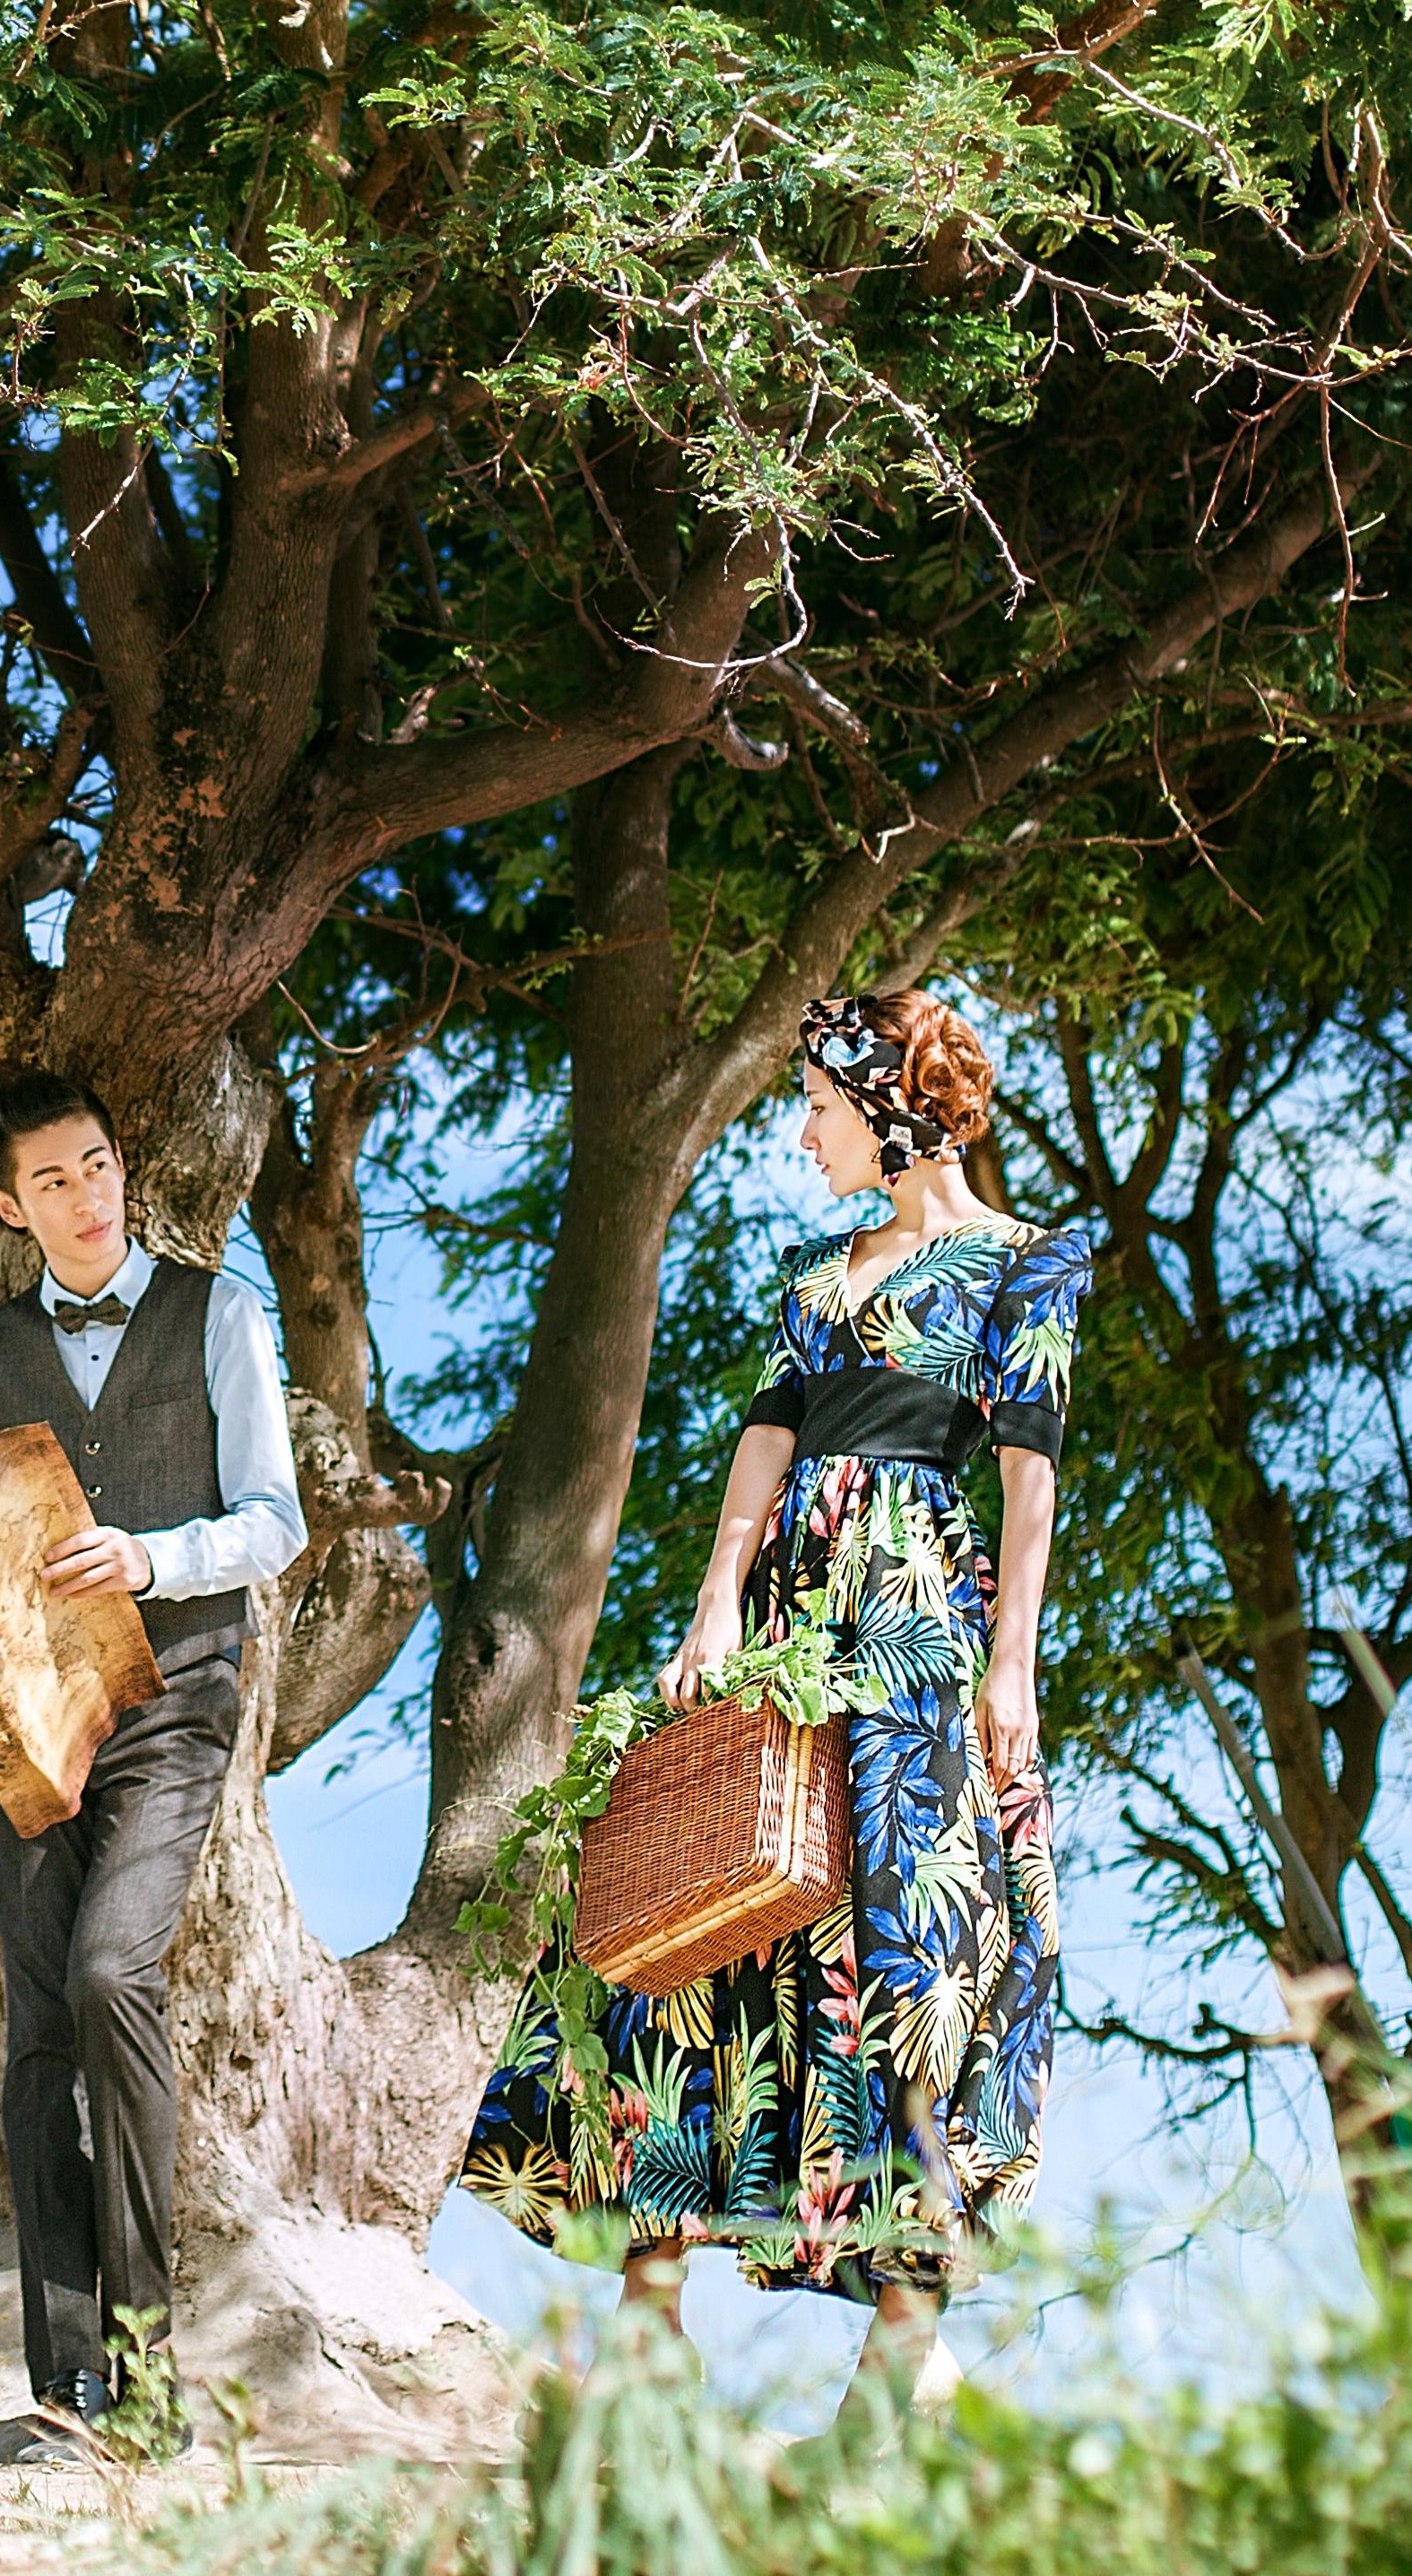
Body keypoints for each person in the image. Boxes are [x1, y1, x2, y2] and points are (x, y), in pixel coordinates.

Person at [460, 986, 1091, 2403]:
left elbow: (1028, 1474)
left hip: (921, 1621)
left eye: (818, 1107)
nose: (804, 1135)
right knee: (703, 1912)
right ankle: (648, 2303)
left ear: (891, 1110)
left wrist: (1013, 1661)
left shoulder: (1024, 1268)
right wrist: (709, 1613)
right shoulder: (816, 1286)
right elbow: (758, 1461)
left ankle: (908, 2345)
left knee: (914, 1945)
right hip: (789, 1631)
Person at [0, 1070, 308, 2442]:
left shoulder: (222, 1313)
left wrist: (152, 1558)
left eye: (97, 1165)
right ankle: (69, 2382)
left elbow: (277, 1521)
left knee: (111, 1972)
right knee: (35, 2032)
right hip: (33, 1713)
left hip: (178, 1693)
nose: (87, 1197)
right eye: (52, 1181)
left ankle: (152, 2368)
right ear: (7, 1205)